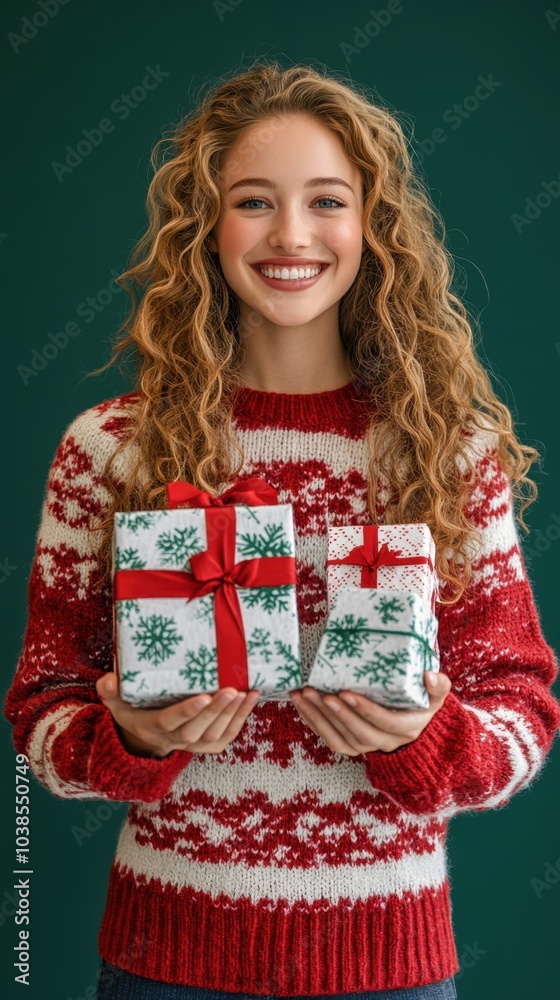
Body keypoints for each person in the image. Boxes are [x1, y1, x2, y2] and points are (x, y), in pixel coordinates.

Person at [4, 61, 560, 1000]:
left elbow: (522, 711)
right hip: (163, 967)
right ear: (204, 230)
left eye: (328, 200)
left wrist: (422, 739)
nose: (292, 235)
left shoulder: (445, 453)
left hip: (392, 969)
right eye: (254, 201)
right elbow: (41, 717)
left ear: (372, 227)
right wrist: (129, 740)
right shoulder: (111, 448)